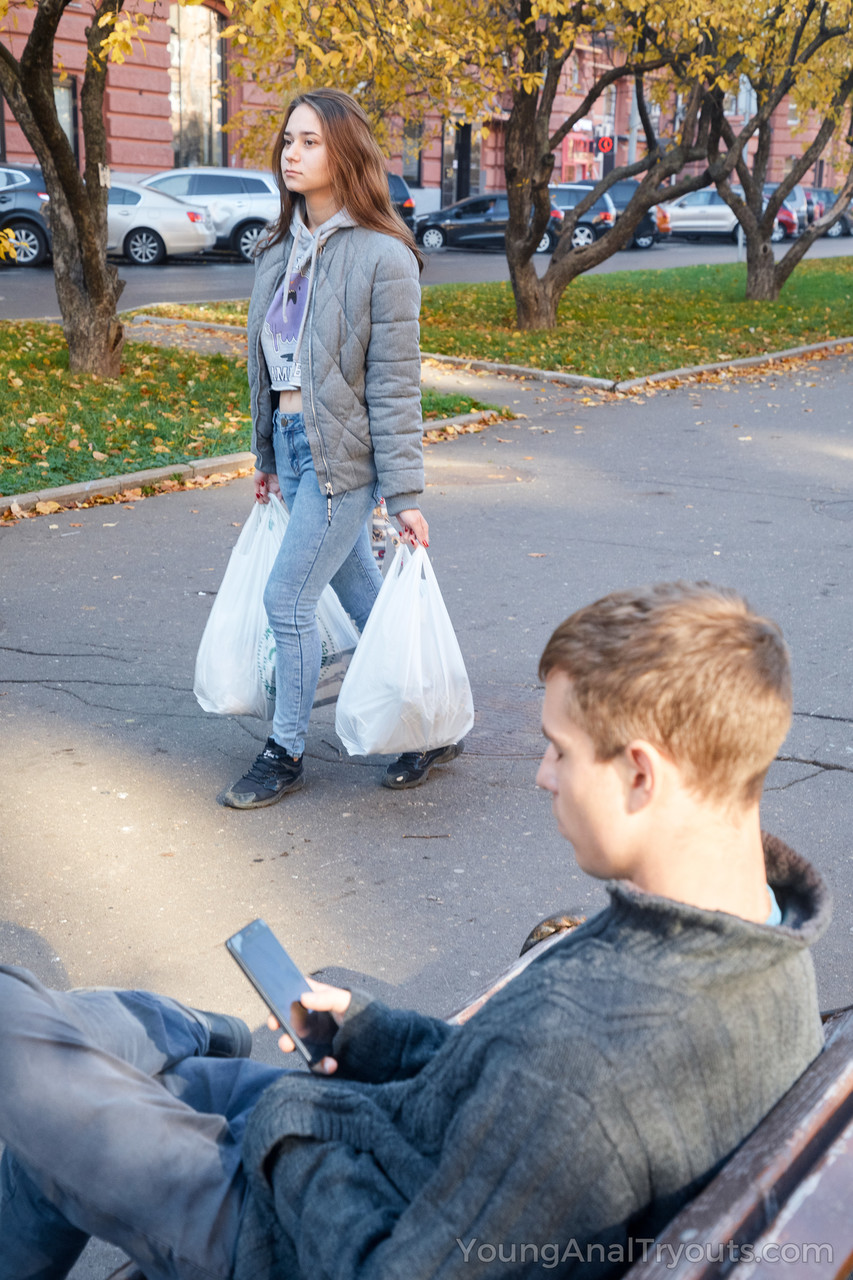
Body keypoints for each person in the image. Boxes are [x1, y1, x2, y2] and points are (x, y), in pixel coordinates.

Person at [0, 582, 830, 1279]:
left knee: (27, 1046)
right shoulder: (756, 937)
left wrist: (294, 1126)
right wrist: (372, 1033)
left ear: (640, 773)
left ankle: (186, 1032)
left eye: (558, 751)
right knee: (92, 1064)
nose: (541, 776)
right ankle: (179, 1034)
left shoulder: (588, 1059)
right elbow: (509, 1080)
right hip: (384, 1156)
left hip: (288, 1233)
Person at [221, 87, 462, 809]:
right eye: (287, 141)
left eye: (310, 142)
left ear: (345, 153)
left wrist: (405, 495)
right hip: (293, 447)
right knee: (360, 594)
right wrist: (266, 457)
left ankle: (285, 751)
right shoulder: (276, 251)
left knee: (287, 598)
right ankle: (429, 722)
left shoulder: (384, 257)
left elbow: (394, 385)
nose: (291, 154)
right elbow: (267, 366)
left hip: (342, 461)